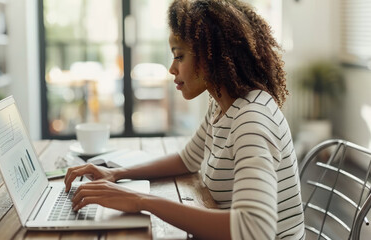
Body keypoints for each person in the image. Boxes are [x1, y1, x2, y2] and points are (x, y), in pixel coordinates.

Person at [64, 0, 305, 239]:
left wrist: (140, 200)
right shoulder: (222, 107)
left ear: (212, 57)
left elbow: (254, 229)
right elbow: (187, 159)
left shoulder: (252, 119)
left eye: (179, 56)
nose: (172, 68)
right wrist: (116, 174)